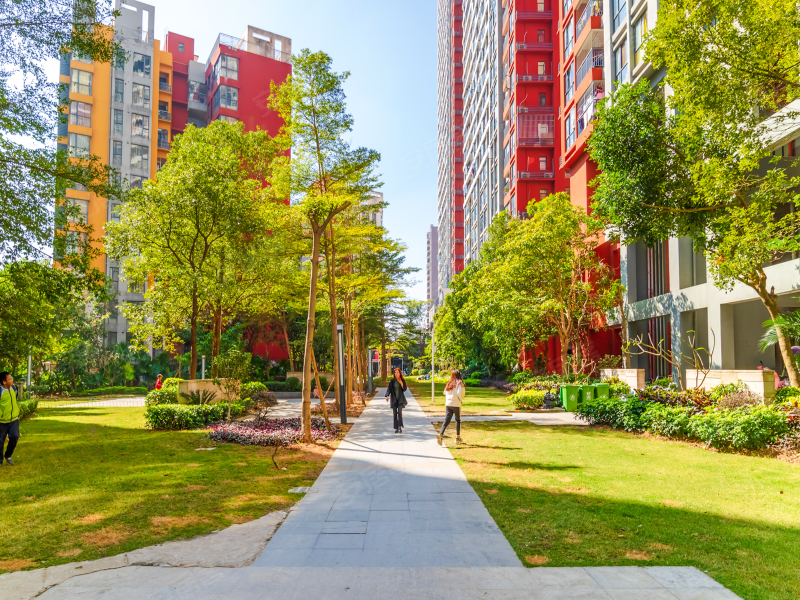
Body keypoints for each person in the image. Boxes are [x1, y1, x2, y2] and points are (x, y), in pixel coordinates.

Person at [438, 370, 465, 446]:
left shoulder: (449, 383)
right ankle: (457, 437)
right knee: (458, 420)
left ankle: (441, 434)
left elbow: (444, 392)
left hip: (448, 404)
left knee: (446, 420)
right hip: (456, 404)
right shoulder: (459, 383)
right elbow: (459, 392)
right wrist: (460, 399)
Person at [0, 371, 21, 466]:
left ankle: (8, 455)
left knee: (15, 436)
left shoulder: (14, 388)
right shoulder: (0, 392)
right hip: (2, 421)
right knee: (0, 442)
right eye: (10, 379)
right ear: (4, 382)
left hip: (14, 420)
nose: (12, 380)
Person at [385, 367, 408, 433]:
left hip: (400, 399)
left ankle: (400, 427)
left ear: (400, 373)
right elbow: (389, 388)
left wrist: (401, 383)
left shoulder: (402, 380)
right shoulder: (392, 381)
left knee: (400, 413)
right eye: (395, 372)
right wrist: (387, 396)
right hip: (394, 399)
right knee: (395, 413)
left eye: (397, 372)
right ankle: (396, 427)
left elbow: (404, 389)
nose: (396, 374)